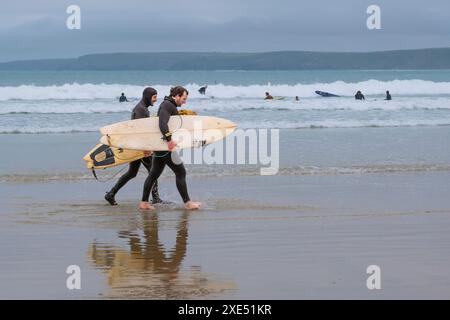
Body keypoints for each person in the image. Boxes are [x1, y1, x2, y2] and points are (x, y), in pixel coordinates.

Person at [140, 86, 201, 211]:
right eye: (183, 98)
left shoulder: (169, 105)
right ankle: (188, 203)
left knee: (153, 174)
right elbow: (162, 123)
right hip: (164, 147)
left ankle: (144, 202)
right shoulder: (168, 105)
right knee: (180, 172)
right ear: (176, 96)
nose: (185, 101)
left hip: (161, 146)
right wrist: (169, 140)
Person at [105, 87, 163, 206]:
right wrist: (144, 148)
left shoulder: (143, 108)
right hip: (140, 147)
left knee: (132, 173)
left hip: (137, 146)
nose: (155, 100)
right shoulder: (140, 109)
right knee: (153, 171)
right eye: (154, 97)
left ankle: (111, 194)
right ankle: (156, 198)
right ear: (147, 96)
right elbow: (138, 131)